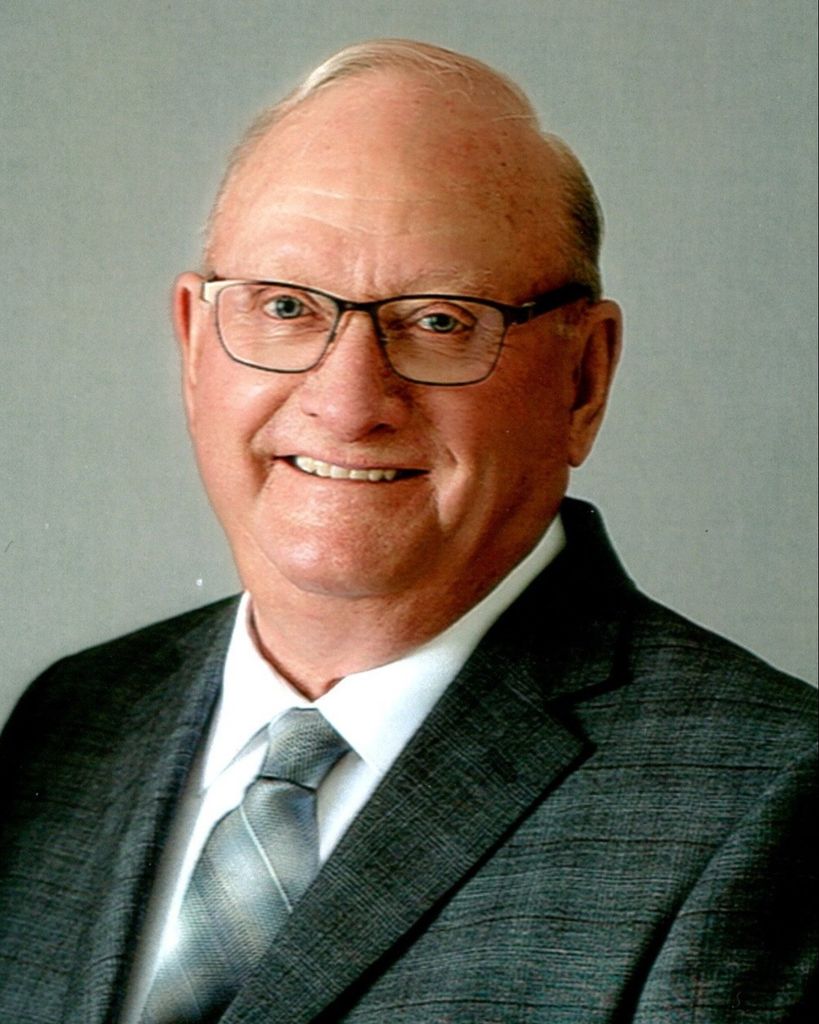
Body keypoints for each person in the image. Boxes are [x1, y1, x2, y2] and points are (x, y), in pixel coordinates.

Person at [0, 38, 815, 1024]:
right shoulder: (67, 723)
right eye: (286, 307)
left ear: (582, 378)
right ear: (194, 345)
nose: (348, 403)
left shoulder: (769, 802)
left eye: (439, 321)